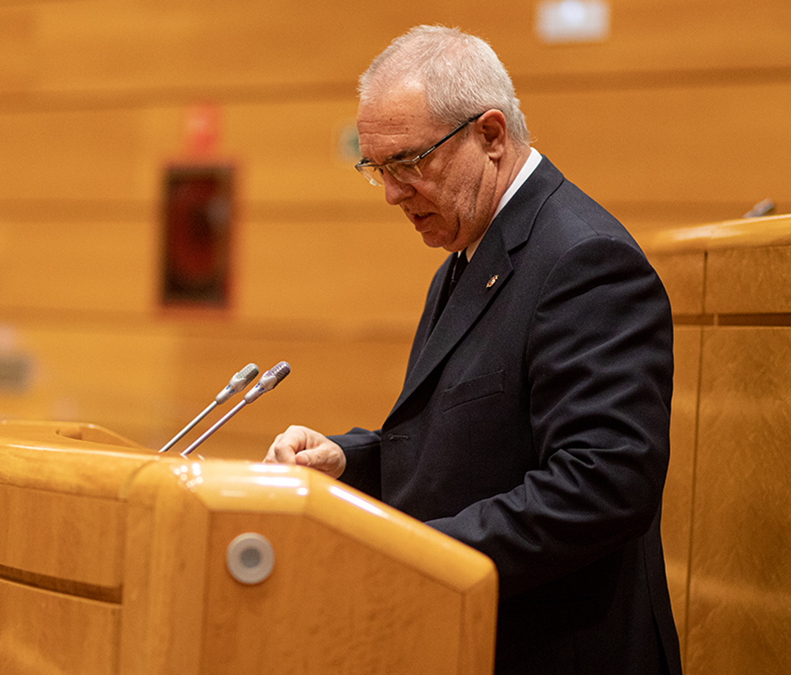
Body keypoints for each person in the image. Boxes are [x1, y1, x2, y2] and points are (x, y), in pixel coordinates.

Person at [264, 25, 680, 675]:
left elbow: (602, 484)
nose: (392, 194)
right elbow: (461, 442)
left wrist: (412, 554)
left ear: (490, 136)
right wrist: (349, 461)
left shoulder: (583, 259)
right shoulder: (469, 253)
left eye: (407, 162)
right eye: (376, 169)